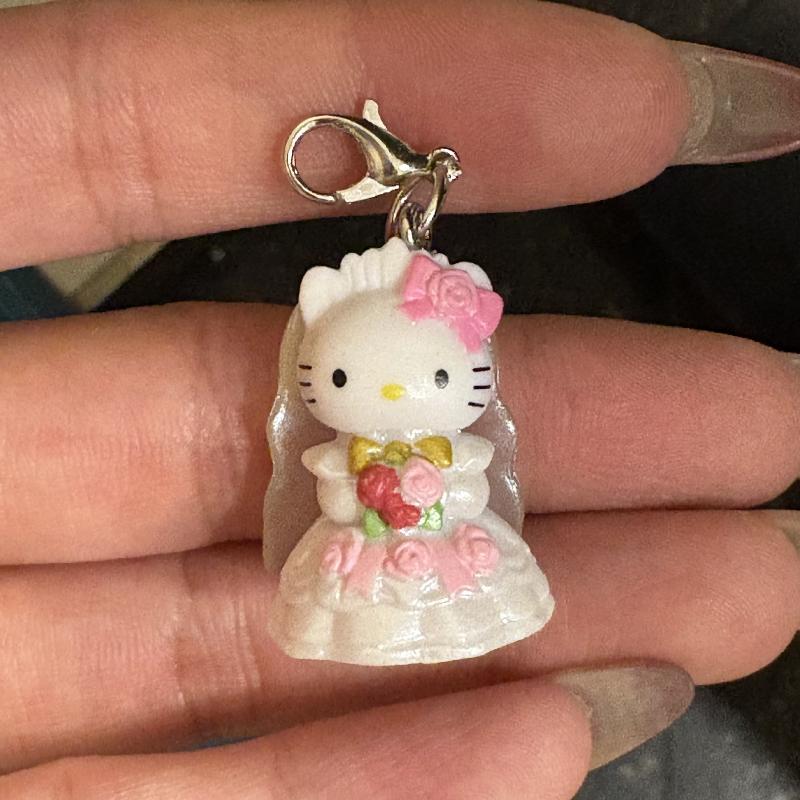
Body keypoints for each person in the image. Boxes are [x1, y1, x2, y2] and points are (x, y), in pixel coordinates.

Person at [0, 1, 798, 798]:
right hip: (357, 547)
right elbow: (334, 490)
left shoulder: (461, 450)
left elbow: (471, 488)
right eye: (344, 380)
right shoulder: (337, 454)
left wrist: (433, 494)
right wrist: (373, 492)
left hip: (453, 539)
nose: (388, 391)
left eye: (438, 378)